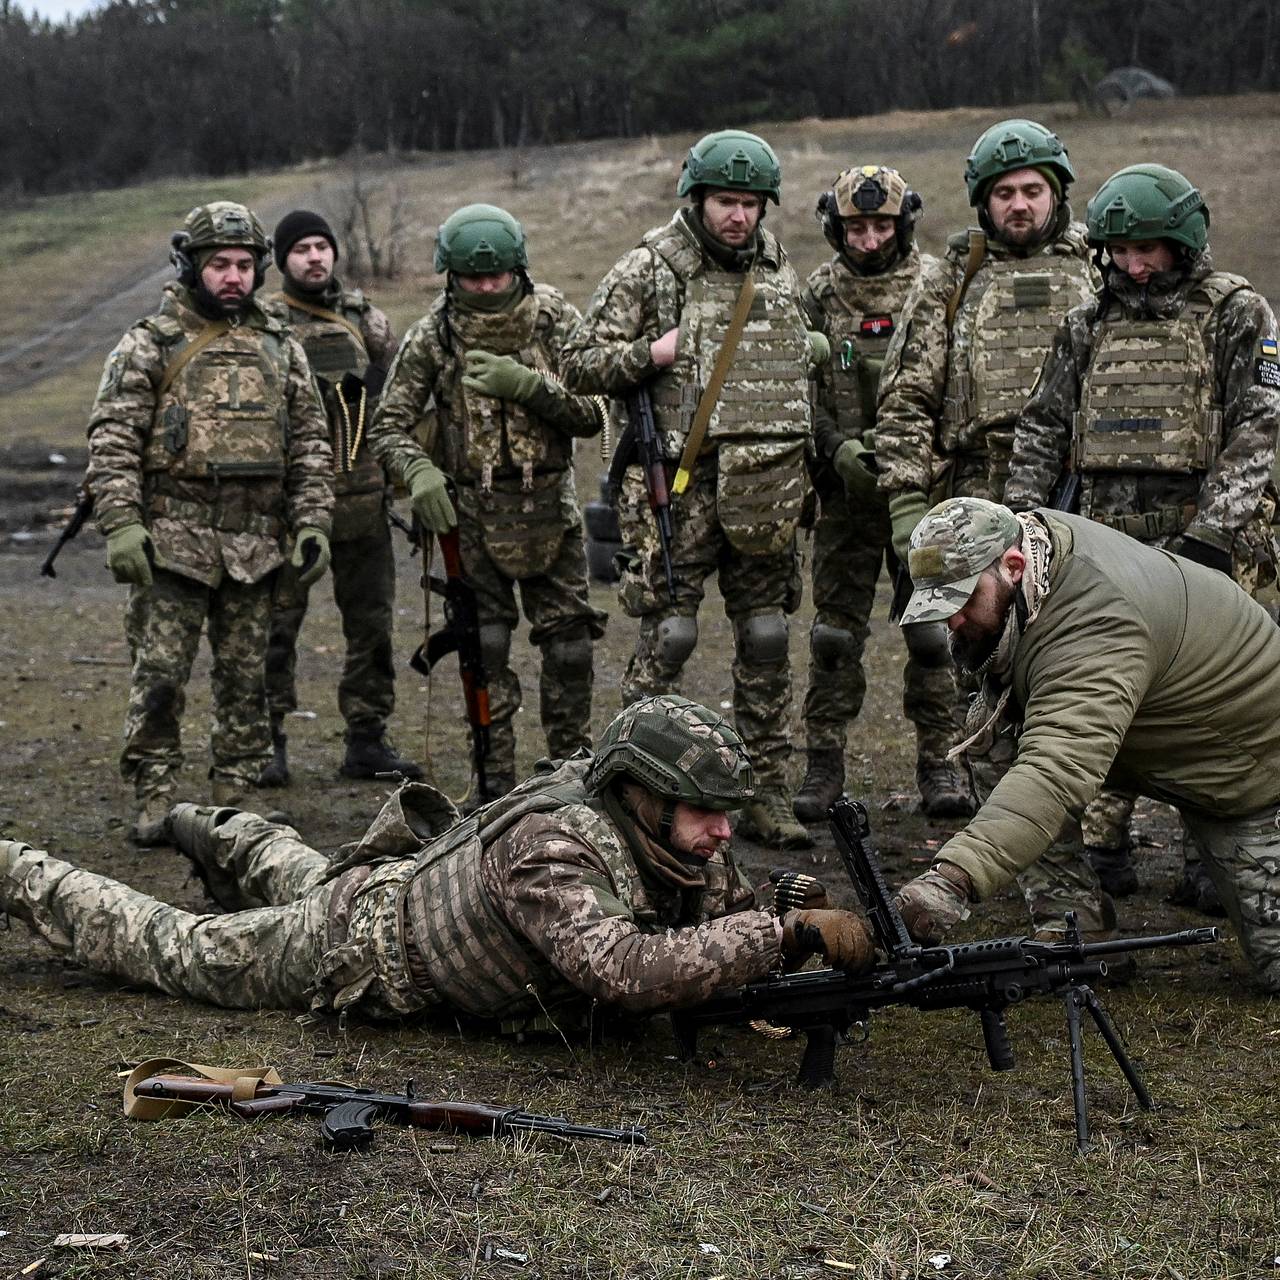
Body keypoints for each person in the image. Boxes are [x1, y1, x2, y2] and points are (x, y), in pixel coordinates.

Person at [0, 696, 875, 1027]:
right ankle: (19, 871)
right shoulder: (553, 849)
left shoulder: (667, 840)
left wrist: (780, 910)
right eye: (707, 813)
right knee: (178, 946)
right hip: (356, 948)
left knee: (298, 864)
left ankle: (210, 823)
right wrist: (778, 933)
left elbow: (714, 914)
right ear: (641, 792)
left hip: (397, 892)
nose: (726, 833)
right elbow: (624, 969)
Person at [1004, 164, 1280, 906]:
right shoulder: (1085, 324)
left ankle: (1211, 856)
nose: (1136, 265)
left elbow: (1260, 425)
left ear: (1184, 242)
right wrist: (1025, 529)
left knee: (1210, 702)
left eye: (1150, 249)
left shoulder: (1236, 312)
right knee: (1098, 687)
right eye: (1122, 251)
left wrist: (1215, 533)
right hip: (1107, 540)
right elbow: (1040, 429)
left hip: (1211, 545)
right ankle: (1101, 844)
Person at [891, 496, 1280, 993]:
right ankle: (1075, 930)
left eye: (962, 603)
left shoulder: (1098, 622)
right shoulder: (1032, 557)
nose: (952, 624)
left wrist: (949, 880)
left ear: (1012, 568)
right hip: (1159, 741)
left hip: (1248, 776)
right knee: (991, 732)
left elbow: (1054, 772)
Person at [561, 129, 823, 849]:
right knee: (669, 638)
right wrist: (652, 353)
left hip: (765, 481)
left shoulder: (775, 265)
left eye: (749, 203)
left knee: (767, 635)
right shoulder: (650, 268)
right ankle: (638, 789)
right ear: (697, 199)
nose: (738, 217)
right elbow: (576, 361)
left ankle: (767, 790)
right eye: (724, 202)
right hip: (679, 487)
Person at [85, 201, 333, 846]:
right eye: (219, 264)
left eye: (244, 265)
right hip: (172, 538)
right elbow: (112, 437)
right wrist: (120, 523)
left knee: (247, 678)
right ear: (192, 267)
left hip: (257, 543)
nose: (232, 276)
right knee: (160, 675)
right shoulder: (149, 342)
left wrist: (312, 523)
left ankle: (237, 795)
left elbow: (310, 441)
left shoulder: (281, 347)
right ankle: (155, 791)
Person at [367, 204, 605, 808]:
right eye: (473, 278)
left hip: (550, 507)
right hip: (471, 518)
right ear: (451, 275)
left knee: (570, 647)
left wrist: (529, 386)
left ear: (519, 268)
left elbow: (594, 413)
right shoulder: (434, 335)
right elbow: (388, 426)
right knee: (486, 647)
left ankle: (570, 773)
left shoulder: (555, 320)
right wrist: (419, 471)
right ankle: (494, 785)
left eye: (497, 276)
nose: (486, 287)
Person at [793, 164, 969, 823]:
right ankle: (823, 762)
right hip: (844, 495)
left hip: (921, 491)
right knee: (833, 636)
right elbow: (796, 391)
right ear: (836, 228)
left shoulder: (934, 287)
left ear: (904, 224)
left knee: (931, 632)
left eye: (882, 225)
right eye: (856, 227)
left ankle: (942, 762)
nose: (869, 239)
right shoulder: (816, 294)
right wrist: (834, 447)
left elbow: (950, 384)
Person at [875, 119, 1098, 540]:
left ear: (1056, 194)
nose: (1019, 205)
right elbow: (906, 399)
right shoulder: (951, 277)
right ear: (984, 201)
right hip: (975, 492)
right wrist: (906, 504)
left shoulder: (1095, 269)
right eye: (1004, 193)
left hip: (1078, 487)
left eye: (1033, 192)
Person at [259, 210, 421, 786]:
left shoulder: (363, 318)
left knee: (372, 628)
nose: (314, 257)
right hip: (290, 509)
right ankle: (266, 742)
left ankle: (367, 739)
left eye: (321, 246)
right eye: (300, 248)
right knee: (276, 628)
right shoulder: (267, 324)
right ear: (282, 260)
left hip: (365, 504)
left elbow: (404, 397)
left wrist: (406, 479)